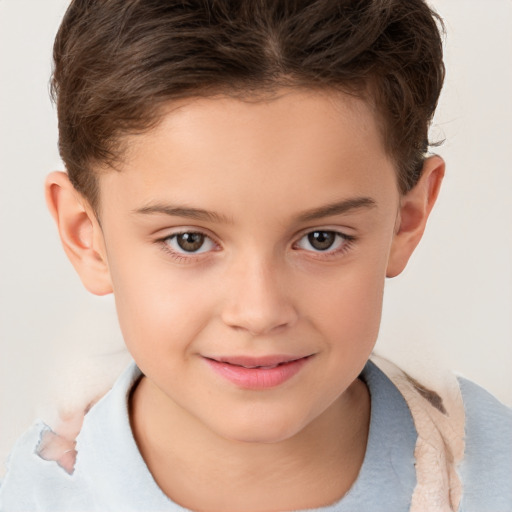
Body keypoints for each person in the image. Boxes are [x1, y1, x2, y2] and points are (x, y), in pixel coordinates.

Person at [0, 1, 510, 511]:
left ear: (407, 219)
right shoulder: (31, 495)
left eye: (322, 238)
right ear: (85, 233)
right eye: (189, 240)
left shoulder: (496, 474)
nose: (259, 312)